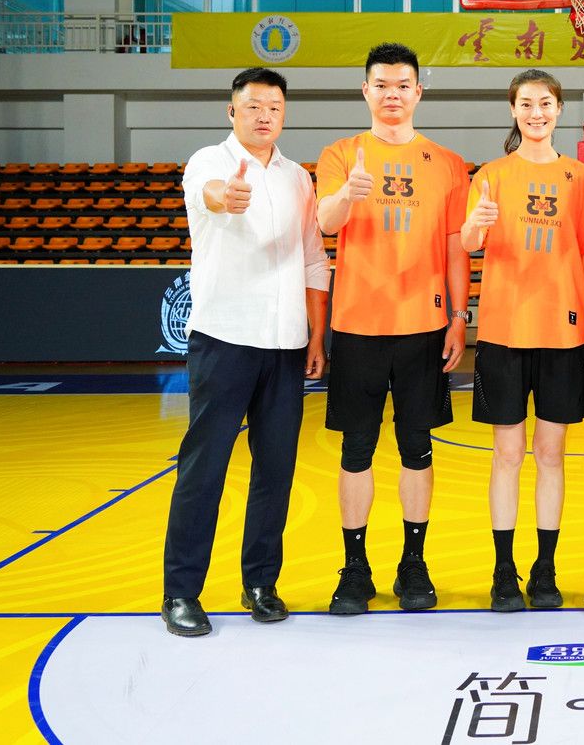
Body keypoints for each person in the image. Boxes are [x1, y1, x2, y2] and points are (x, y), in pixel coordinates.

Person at [161, 67, 330, 637]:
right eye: (253, 106)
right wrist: (226, 197)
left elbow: (313, 259)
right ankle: (181, 591)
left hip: (285, 343)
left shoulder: (298, 178)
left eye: (274, 107)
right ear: (231, 111)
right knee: (204, 468)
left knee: (275, 471)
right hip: (225, 338)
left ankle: (260, 582)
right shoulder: (209, 163)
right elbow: (210, 196)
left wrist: (316, 334)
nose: (264, 115)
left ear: (285, 114)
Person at [316, 42, 470, 614]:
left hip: (424, 325)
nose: (392, 94)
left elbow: (456, 248)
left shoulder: (447, 163)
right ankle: (355, 567)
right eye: (381, 84)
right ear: (365, 90)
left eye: (403, 85)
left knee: (417, 448)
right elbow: (325, 223)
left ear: (418, 92)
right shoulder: (340, 154)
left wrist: (459, 317)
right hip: (358, 323)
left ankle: (413, 563)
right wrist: (347, 194)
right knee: (356, 448)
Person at [461, 69, 584, 611]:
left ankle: (545, 569)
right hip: (504, 328)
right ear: (513, 110)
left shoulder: (577, 176)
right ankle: (504, 570)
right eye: (526, 103)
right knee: (506, 454)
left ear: (559, 109)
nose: (536, 112)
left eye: (545, 103)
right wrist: (476, 223)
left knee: (550, 454)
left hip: (560, 332)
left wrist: (576, 301)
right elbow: (468, 243)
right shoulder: (491, 175)